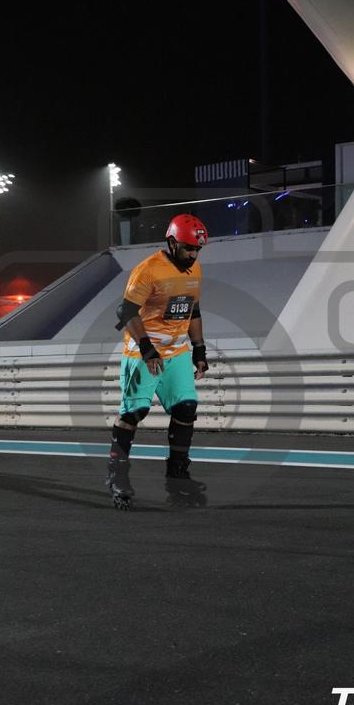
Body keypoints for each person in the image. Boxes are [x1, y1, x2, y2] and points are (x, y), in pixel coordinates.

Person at [106, 213, 209, 509]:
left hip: (176, 351)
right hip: (143, 350)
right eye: (188, 249)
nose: (193, 255)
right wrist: (147, 349)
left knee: (186, 408)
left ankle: (177, 478)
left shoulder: (194, 269)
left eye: (197, 250)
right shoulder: (148, 270)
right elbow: (126, 312)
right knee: (133, 413)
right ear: (172, 242)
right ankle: (117, 476)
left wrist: (199, 348)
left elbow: (193, 310)